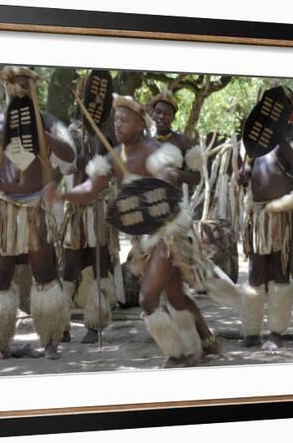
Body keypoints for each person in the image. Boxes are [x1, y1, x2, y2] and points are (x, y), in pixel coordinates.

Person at [46, 94, 220, 368]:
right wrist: (63, 195)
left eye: (124, 120)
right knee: (175, 296)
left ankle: (182, 353)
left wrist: (161, 179)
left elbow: (169, 186)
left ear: (140, 124)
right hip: (145, 239)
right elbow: (91, 189)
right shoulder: (114, 157)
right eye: (115, 120)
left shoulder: (154, 151)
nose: (117, 125)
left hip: (168, 233)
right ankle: (208, 342)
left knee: (147, 298)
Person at [0, 66, 75, 361]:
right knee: (1, 275)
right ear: (7, 89)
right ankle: (0, 343)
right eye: (16, 87)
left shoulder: (47, 121)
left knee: (44, 273)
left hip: (36, 208)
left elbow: (70, 155)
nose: (21, 91)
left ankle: (50, 341)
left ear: (34, 89)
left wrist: (44, 136)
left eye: (26, 87)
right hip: (4, 207)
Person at [237, 88, 293, 351]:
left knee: (280, 271)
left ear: (289, 111)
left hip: (282, 217)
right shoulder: (255, 141)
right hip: (258, 216)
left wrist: (279, 137)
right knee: (256, 273)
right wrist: (243, 174)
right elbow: (249, 171)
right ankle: (251, 331)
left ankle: (275, 333)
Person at [62, 112, 119, 343]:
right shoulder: (70, 134)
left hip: (98, 210)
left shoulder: (108, 136)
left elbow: (116, 167)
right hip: (76, 212)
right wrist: (76, 162)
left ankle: (95, 326)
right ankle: (61, 324)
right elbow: (63, 167)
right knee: (69, 269)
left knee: (100, 267)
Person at [149, 89, 201, 186]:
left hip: (172, 199)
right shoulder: (144, 140)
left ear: (173, 117)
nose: (161, 116)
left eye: (167, 113)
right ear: (152, 114)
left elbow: (197, 178)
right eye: (158, 111)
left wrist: (176, 174)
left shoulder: (183, 142)